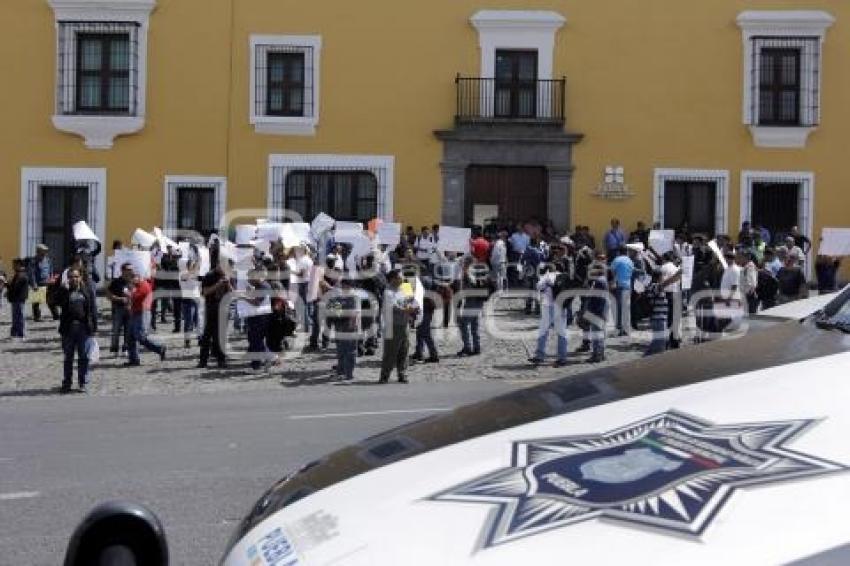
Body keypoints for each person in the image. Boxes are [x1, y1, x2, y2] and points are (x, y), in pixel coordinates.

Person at [56, 268, 97, 393]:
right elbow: (55, 302)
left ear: (80, 277)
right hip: (68, 328)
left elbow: (93, 309)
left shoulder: (87, 291)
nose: (73, 279)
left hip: (83, 328)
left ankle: (83, 382)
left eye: (76, 276)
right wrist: (62, 289)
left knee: (84, 356)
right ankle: (67, 382)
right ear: (68, 279)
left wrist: (94, 327)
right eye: (71, 277)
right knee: (68, 357)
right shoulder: (65, 291)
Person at [530, 248, 568, 367]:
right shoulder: (565, 277)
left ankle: (540, 355)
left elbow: (538, 286)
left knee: (543, 331)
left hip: (548, 306)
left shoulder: (548, 275)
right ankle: (562, 357)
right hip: (561, 307)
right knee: (562, 332)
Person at [379, 270, 417, 384]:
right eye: (400, 277)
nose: (402, 279)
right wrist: (406, 309)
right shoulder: (388, 291)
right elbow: (392, 307)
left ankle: (402, 373)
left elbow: (413, 301)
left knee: (404, 350)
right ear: (393, 279)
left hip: (404, 323)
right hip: (392, 325)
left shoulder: (406, 287)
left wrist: (414, 308)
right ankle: (385, 375)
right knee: (390, 352)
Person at [126, 269, 167, 367]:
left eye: (132, 278)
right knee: (131, 337)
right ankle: (134, 359)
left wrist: (129, 293)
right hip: (135, 312)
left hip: (142, 313)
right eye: (130, 278)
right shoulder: (138, 285)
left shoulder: (144, 285)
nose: (131, 280)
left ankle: (159, 348)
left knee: (141, 337)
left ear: (138, 277)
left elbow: (136, 296)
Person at [325, 276, 361, 380]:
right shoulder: (340, 295)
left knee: (349, 351)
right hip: (340, 326)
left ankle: (348, 374)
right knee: (341, 351)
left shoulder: (354, 296)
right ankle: (340, 372)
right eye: (342, 285)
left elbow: (355, 313)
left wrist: (352, 326)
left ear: (349, 285)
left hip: (349, 327)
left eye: (344, 285)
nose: (342, 287)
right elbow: (335, 310)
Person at [198, 265, 231, 369]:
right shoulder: (209, 275)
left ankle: (221, 360)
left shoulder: (227, 274)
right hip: (212, 308)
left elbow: (232, 293)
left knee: (221, 336)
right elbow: (205, 292)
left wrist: (228, 283)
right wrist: (218, 284)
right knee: (207, 336)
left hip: (224, 308)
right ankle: (203, 361)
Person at [242, 268, 273, 371]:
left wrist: (243, 297)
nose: (249, 280)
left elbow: (256, 303)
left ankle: (267, 359)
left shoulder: (264, 286)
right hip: (257, 317)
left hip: (260, 318)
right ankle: (257, 364)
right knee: (254, 341)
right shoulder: (259, 286)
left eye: (250, 278)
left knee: (256, 342)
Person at [456, 259, 489, 357]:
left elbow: (467, 290)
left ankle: (467, 347)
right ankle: (476, 347)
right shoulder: (478, 273)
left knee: (463, 324)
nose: (462, 267)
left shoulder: (468, 275)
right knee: (475, 324)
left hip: (471, 301)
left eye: (463, 265)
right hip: (479, 301)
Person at [106, 263, 133, 355]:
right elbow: (108, 295)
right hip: (118, 309)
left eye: (131, 269)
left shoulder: (133, 282)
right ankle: (114, 349)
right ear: (123, 270)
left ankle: (125, 348)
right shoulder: (116, 282)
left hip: (130, 309)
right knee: (116, 330)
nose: (130, 271)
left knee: (128, 330)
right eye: (128, 269)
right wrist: (119, 299)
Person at [412, 276, 439, 363]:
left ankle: (433, 355)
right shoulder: (427, 279)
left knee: (424, 332)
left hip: (424, 307)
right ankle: (419, 352)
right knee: (420, 331)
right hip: (428, 306)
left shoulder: (414, 281)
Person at [585, 261, 609, 363]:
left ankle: (597, 355)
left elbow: (597, 299)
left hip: (597, 311)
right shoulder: (602, 280)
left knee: (596, 334)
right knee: (600, 333)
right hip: (601, 310)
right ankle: (601, 354)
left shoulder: (599, 282)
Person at [609, 245, 634, 336]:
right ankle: (626, 329)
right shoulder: (630, 261)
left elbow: (612, 271)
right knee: (626, 308)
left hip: (618, 286)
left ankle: (618, 329)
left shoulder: (617, 260)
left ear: (619, 252)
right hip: (628, 286)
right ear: (626, 251)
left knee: (618, 308)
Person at [28, 244, 55, 321]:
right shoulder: (33, 261)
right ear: (38, 251)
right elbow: (31, 273)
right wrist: (34, 284)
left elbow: (51, 270)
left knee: (51, 300)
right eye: (44, 251)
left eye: (46, 251)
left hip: (47, 283)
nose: (45, 253)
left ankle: (55, 314)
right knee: (36, 301)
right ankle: (37, 316)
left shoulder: (48, 260)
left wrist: (51, 278)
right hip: (38, 283)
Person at [644, 270, 669, 357]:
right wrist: (679, 274)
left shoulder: (652, 286)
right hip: (658, 318)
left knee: (659, 342)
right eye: (662, 276)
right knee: (659, 343)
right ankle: (645, 359)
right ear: (659, 277)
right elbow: (666, 283)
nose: (663, 278)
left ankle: (648, 359)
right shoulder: (655, 286)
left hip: (659, 318)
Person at [7, 259, 30, 339]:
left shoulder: (22, 275)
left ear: (19, 265)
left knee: (20, 316)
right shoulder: (17, 274)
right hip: (15, 299)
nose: (13, 266)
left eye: (14, 264)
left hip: (19, 299)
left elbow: (16, 287)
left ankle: (21, 333)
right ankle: (15, 332)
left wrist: (9, 284)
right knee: (15, 316)